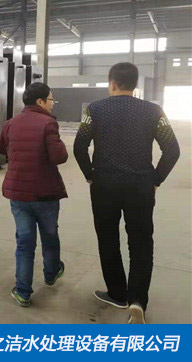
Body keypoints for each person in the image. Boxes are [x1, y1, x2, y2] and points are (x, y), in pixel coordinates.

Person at [74, 62, 180, 324]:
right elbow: (172, 150)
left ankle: (117, 293)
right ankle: (137, 301)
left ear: (112, 83)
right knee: (141, 243)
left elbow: (79, 147)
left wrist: (90, 175)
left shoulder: (94, 109)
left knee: (108, 239)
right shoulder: (154, 111)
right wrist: (155, 179)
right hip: (140, 187)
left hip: (104, 186)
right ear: (135, 84)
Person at [0, 83, 68, 307]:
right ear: (40, 101)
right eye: (51, 99)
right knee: (49, 235)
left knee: (25, 242)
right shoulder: (48, 123)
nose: (52, 103)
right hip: (45, 193)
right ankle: (51, 273)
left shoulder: (10, 123)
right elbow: (59, 157)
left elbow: (0, 149)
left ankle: (23, 291)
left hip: (19, 193)